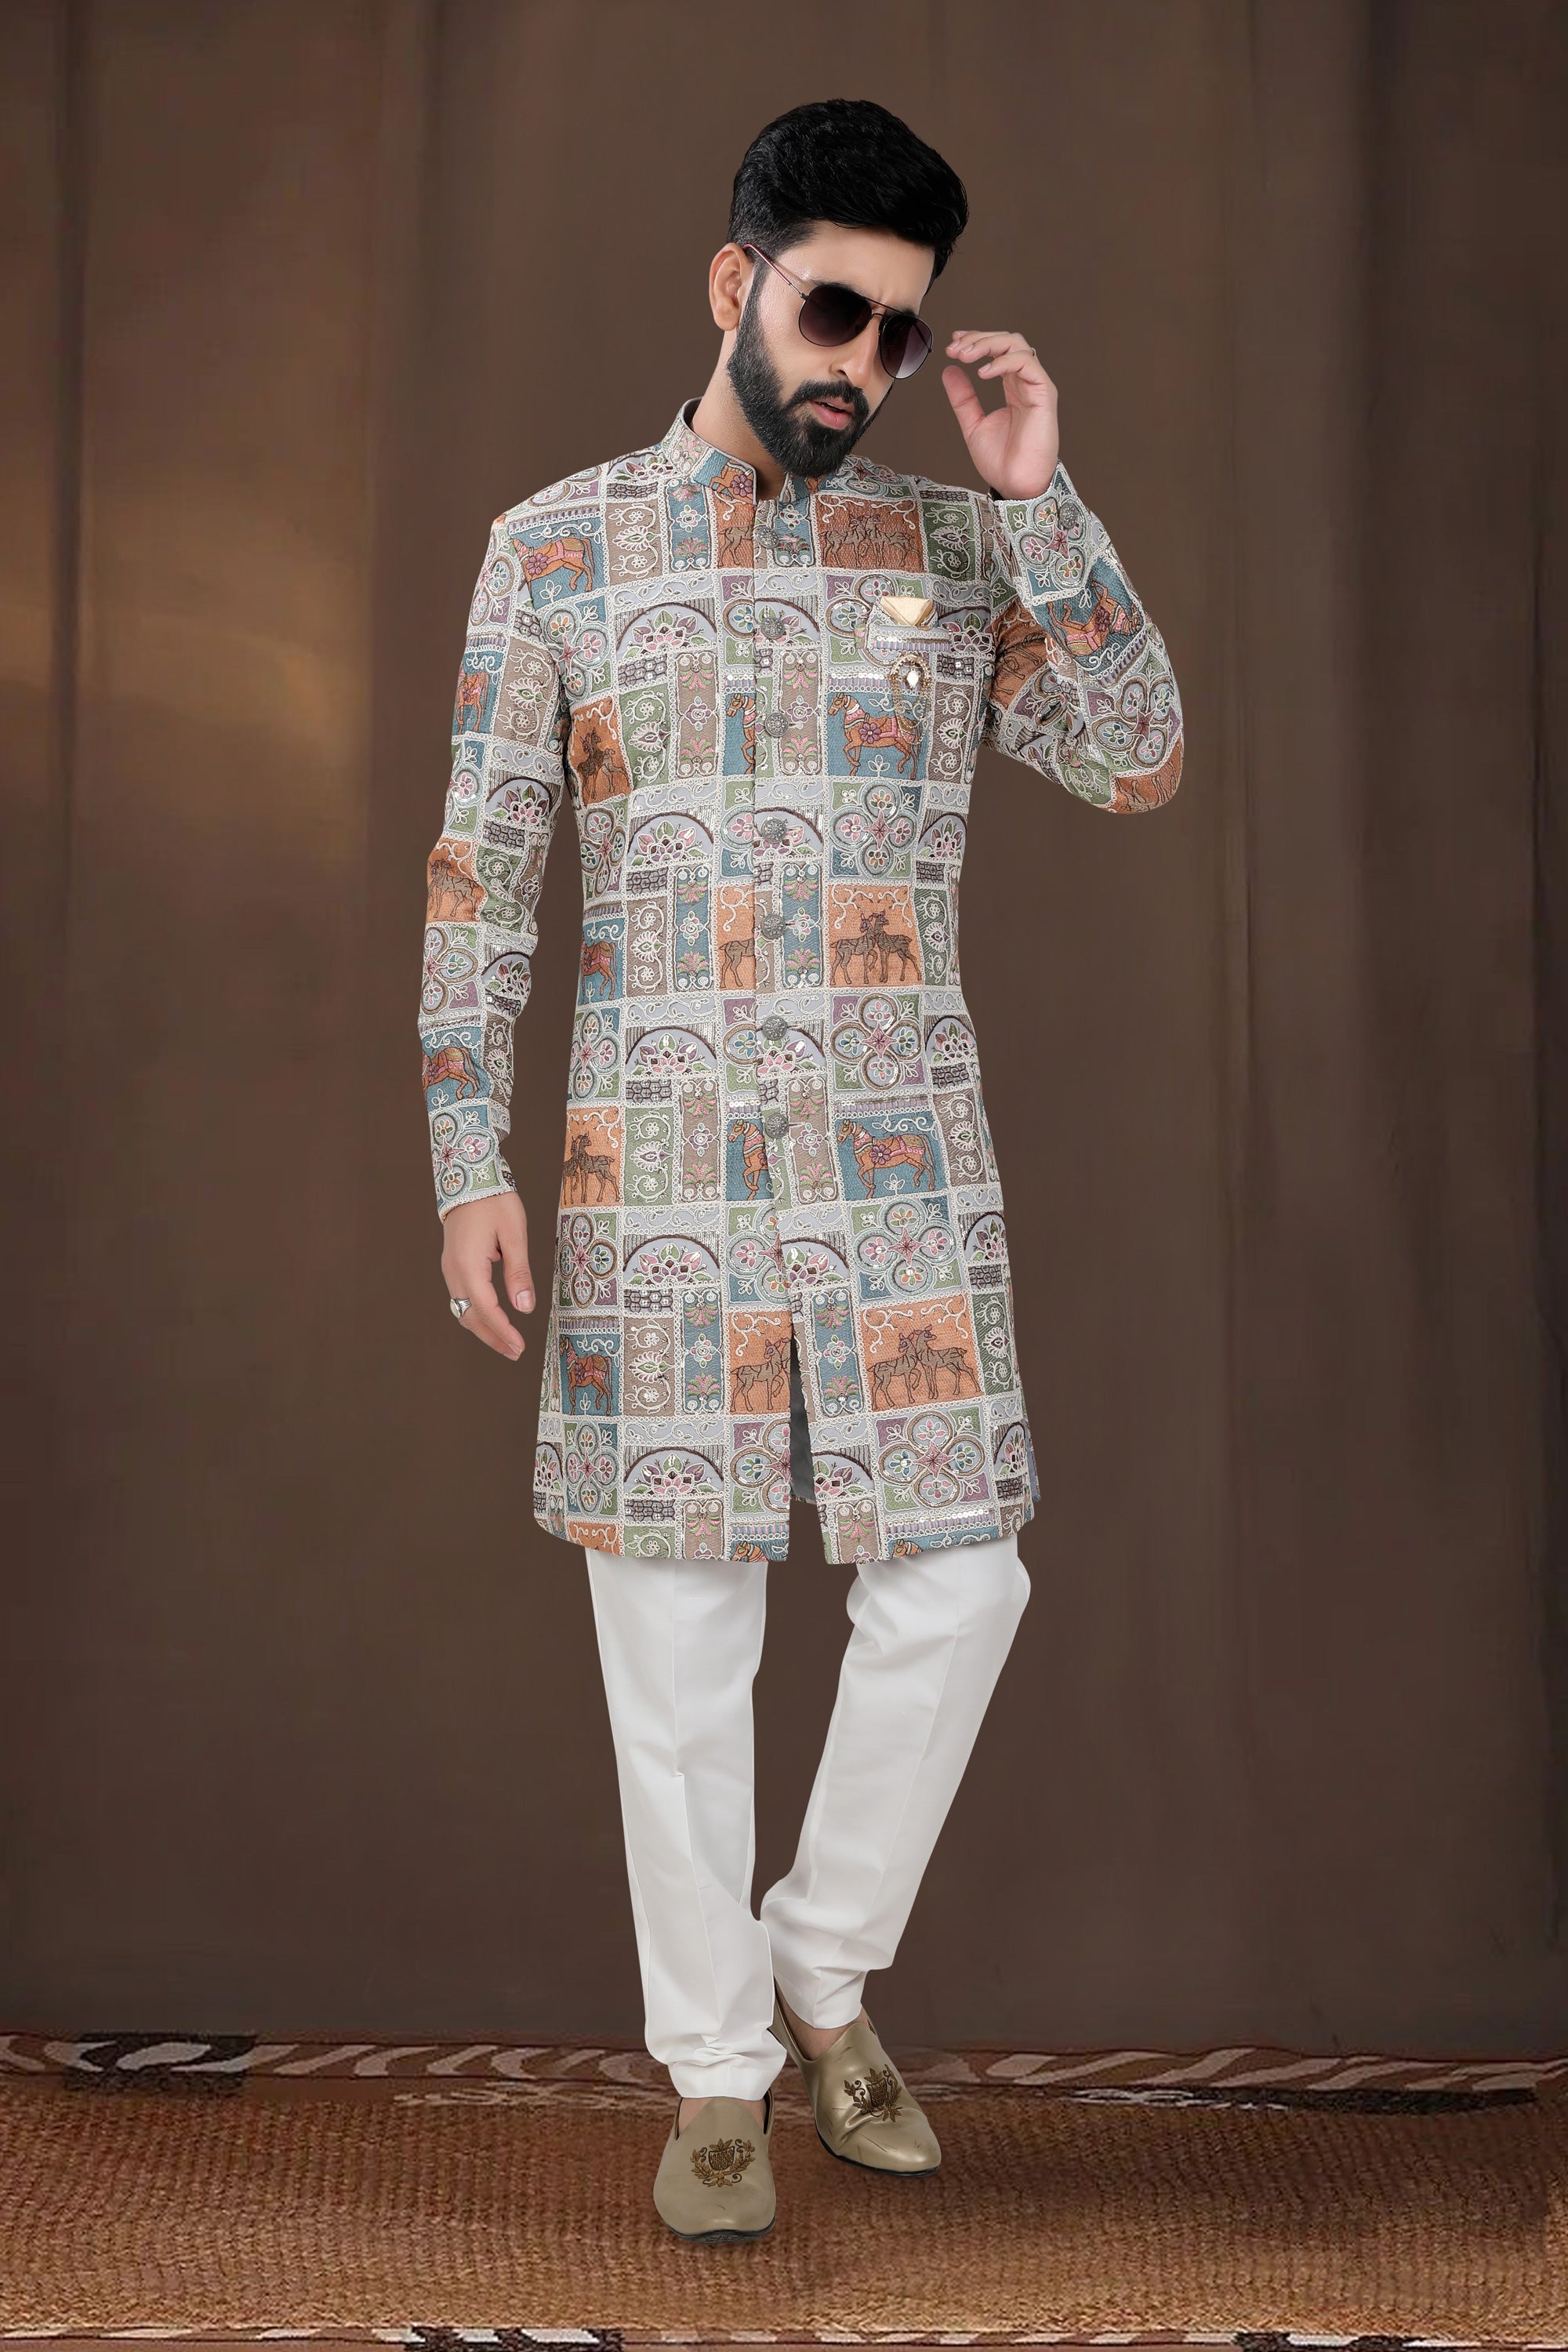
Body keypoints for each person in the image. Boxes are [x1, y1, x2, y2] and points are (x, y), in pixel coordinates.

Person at [418, 97, 1183, 2242]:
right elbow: (484, 873)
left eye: (903, 332)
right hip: (652, 1177)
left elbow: (1137, 761)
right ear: (733, 283)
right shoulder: (553, 552)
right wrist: (466, 1149)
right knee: (676, 1640)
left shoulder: (954, 552)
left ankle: (821, 1965)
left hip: (899, 1174)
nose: (865, 363)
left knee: (963, 1583)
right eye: (835, 310)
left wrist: (1040, 501)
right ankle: (718, 2077)